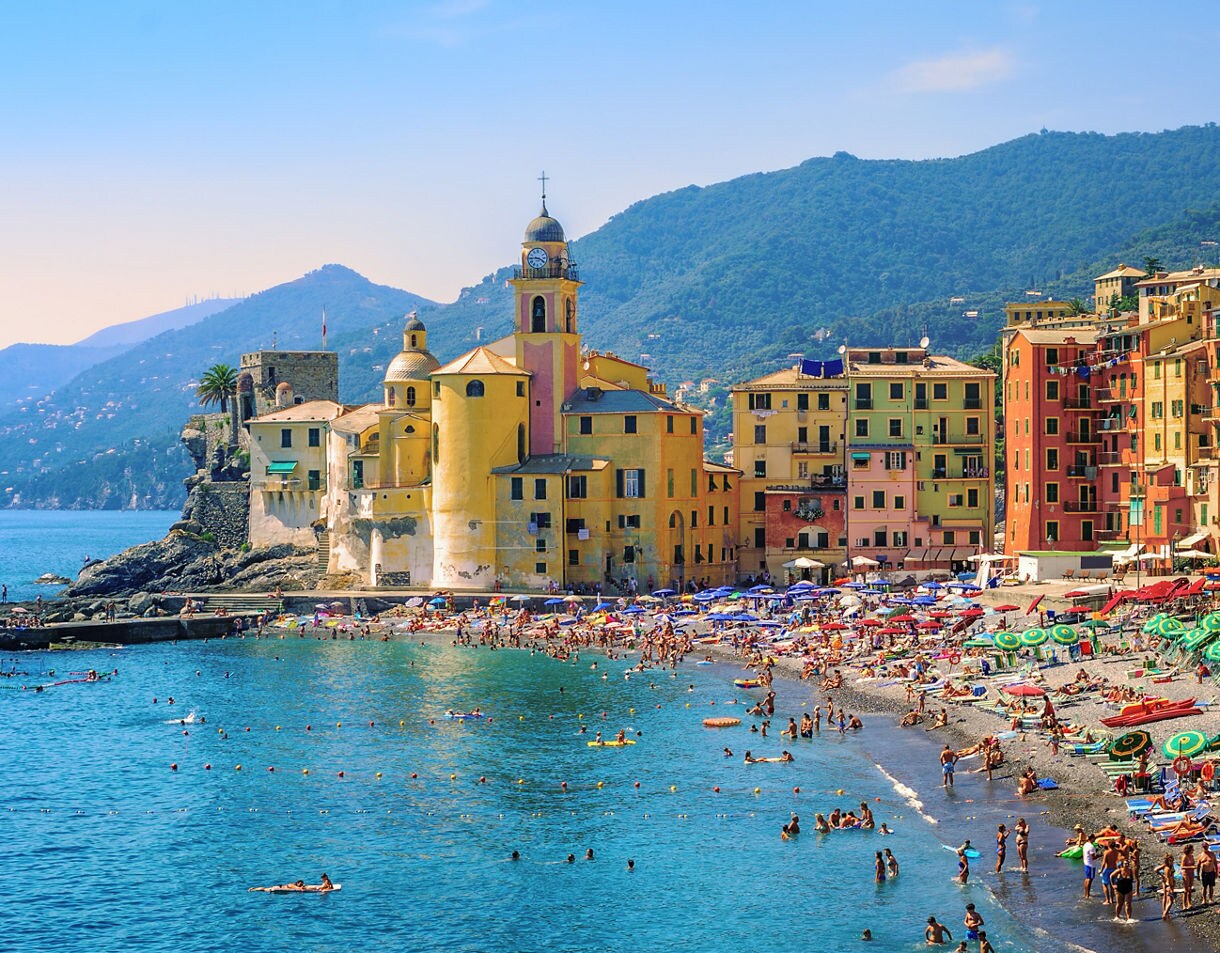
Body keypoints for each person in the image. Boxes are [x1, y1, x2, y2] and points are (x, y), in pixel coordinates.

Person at [1112, 857, 1134, 921]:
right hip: (1119, 890)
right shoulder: (1119, 870)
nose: (1126, 865)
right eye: (1125, 864)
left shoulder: (1130, 871)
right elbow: (1111, 876)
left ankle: (1129, 918)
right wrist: (1113, 885)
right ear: (1122, 864)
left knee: (1128, 904)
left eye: (1127, 863)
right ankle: (1117, 916)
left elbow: (1133, 879)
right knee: (1119, 904)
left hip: (1128, 889)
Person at [1157, 853, 1176, 920]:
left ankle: (1166, 913)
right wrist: (1170, 887)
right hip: (1169, 884)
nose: (1172, 861)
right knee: (1170, 900)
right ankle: (1165, 913)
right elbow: (1168, 878)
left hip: (1170, 883)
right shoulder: (1167, 868)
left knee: (1168, 899)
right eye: (1170, 860)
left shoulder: (1171, 866)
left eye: (1172, 860)